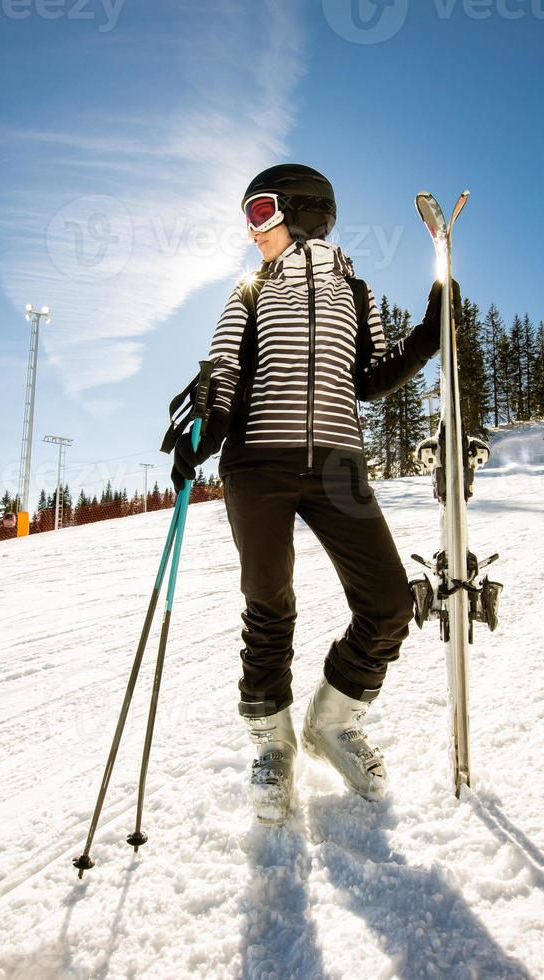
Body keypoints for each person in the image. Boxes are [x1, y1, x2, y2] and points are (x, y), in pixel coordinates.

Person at [171, 164, 461, 825]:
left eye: (260, 211)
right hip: (259, 464)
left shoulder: (356, 290)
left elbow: (370, 377)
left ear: (301, 211)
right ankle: (273, 748)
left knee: (388, 602)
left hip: (338, 464)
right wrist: (204, 431)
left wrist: (428, 332)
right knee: (268, 602)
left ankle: (331, 723)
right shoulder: (249, 290)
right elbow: (224, 367)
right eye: (247, 215)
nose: (252, 229)